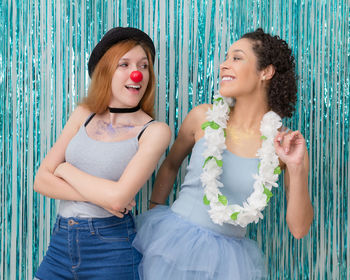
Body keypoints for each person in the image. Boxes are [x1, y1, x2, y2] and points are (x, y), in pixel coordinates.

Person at [133, 28, 313, 279]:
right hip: (173, 246)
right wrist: (154, 214)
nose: (224, 65)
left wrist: (295, 166)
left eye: (236, 58)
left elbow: (299, 229)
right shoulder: (202, 117)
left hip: (229, 265)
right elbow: (171, 165)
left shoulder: (284, 145)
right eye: (226, 58)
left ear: (266, 72)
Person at [33, 27, 171, 280]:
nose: (136, 73)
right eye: (124, 64)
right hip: (61, 243)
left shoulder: (155, 131)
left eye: (144, 65)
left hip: (111, 247)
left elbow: (118, 200)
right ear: (105, 70)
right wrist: (102, 197)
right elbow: (41, 180)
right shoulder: (83, 114)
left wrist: (64, 169)